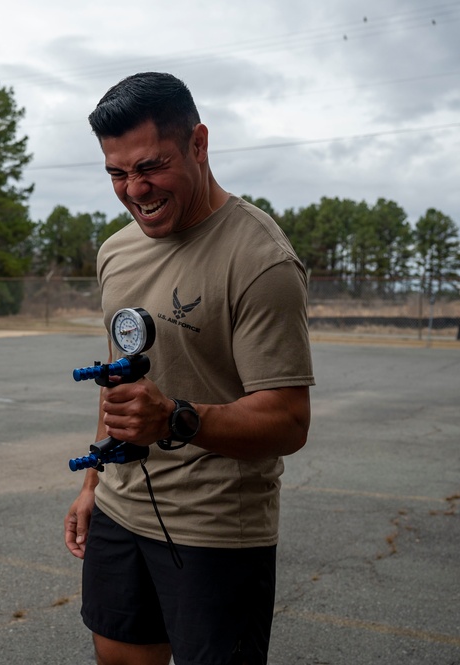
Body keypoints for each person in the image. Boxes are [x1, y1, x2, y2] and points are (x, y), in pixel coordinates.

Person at [63, 72, 314, 665]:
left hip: (217, 531)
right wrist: (92, 482)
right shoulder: (116, 251)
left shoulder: (259, 260)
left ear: (199, 143)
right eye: (117, 174)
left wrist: (175, 418)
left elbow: (288, 421)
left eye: (150, 167)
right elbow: (116, 377)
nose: (134, 189)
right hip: (121, 513)